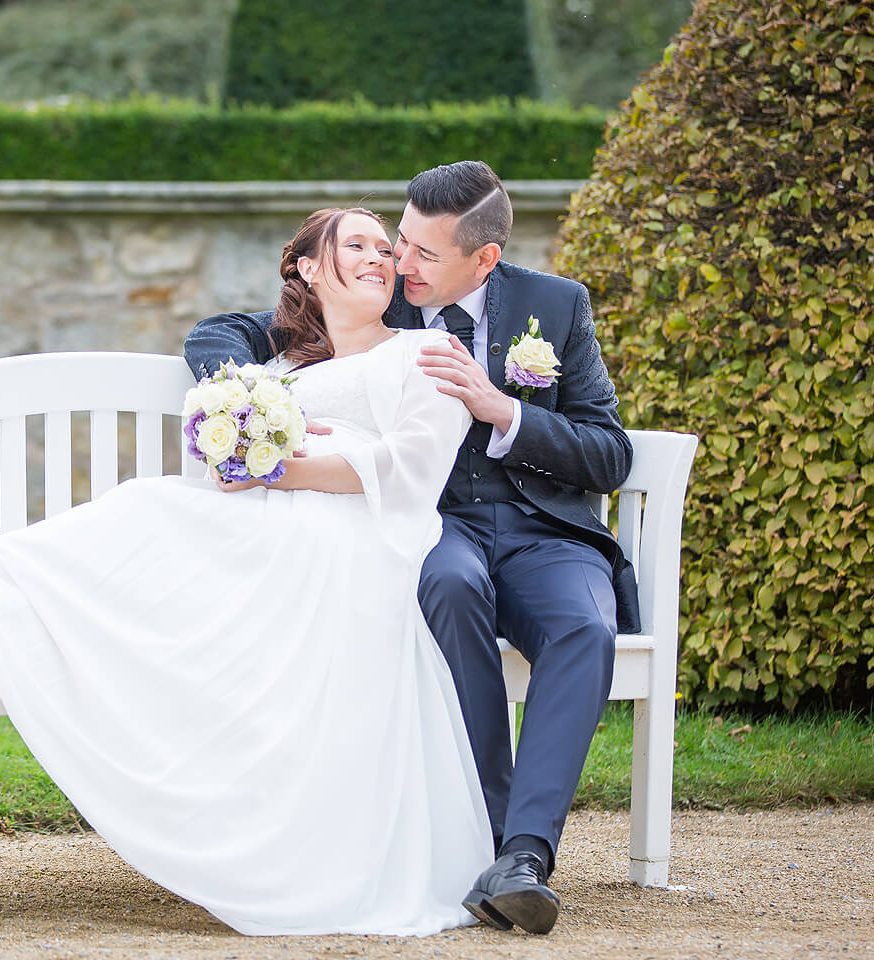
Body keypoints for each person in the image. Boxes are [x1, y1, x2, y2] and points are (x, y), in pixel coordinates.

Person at [0, 207, 493, 936]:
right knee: (146, 511)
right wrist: (248, 459)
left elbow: (414, 467)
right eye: (358, 245)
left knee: (151, 514)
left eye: (384, 248)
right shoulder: (278, 370)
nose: (378, 258)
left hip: (353, 537)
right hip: (258, 528)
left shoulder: (423, 354)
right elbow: (229, 412)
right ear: (309, 267)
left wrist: (286, 469)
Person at [185, 161, 636, 935]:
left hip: (544, 533)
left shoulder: (554, 307)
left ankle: (524, 857)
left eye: (424, 254)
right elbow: (224, 332)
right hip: (436, 524)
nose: (401, 263)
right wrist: (253, 402)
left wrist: (503, 411)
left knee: (583, 629)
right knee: (449, 591)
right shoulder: (383, 294)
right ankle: (483, 834)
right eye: (399, 242)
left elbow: (609, 453)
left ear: (483, 259)